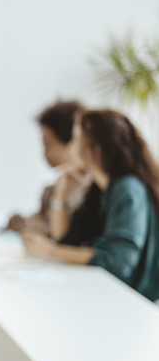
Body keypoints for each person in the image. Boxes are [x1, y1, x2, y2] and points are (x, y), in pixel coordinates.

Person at [23, 109, 159, 302]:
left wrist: (48, 251)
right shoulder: (100, 191)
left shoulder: (128, 190)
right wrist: (60, 193)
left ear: (95, 148)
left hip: (134, 302)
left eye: (77, 140)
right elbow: (66, 240)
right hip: (109, 294)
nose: (71, 149)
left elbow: (117, 263)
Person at [6, 100, 89, 240]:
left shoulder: (90, 191)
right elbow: (42, 223)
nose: (43, 154)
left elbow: (64, 237)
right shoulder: (51, 190)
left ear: (73, 142)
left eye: (48, 146)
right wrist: (26, 223)